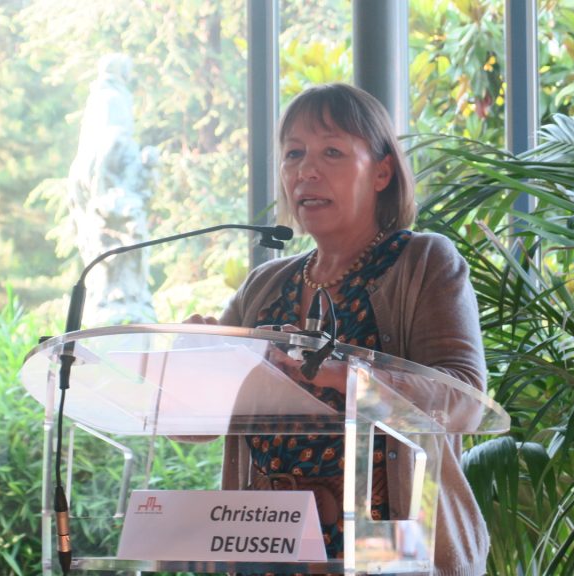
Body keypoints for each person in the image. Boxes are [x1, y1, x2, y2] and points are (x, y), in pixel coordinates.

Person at [186, 83, 489, 575]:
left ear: (382, 172)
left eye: (331, 152)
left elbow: (465, 399)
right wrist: (191, 359)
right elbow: (194, 426)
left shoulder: (423, 262)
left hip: (387, 553)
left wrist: (352, 378)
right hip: (270, 547)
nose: (306, 171)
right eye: (293, 154)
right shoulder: (264, 284)